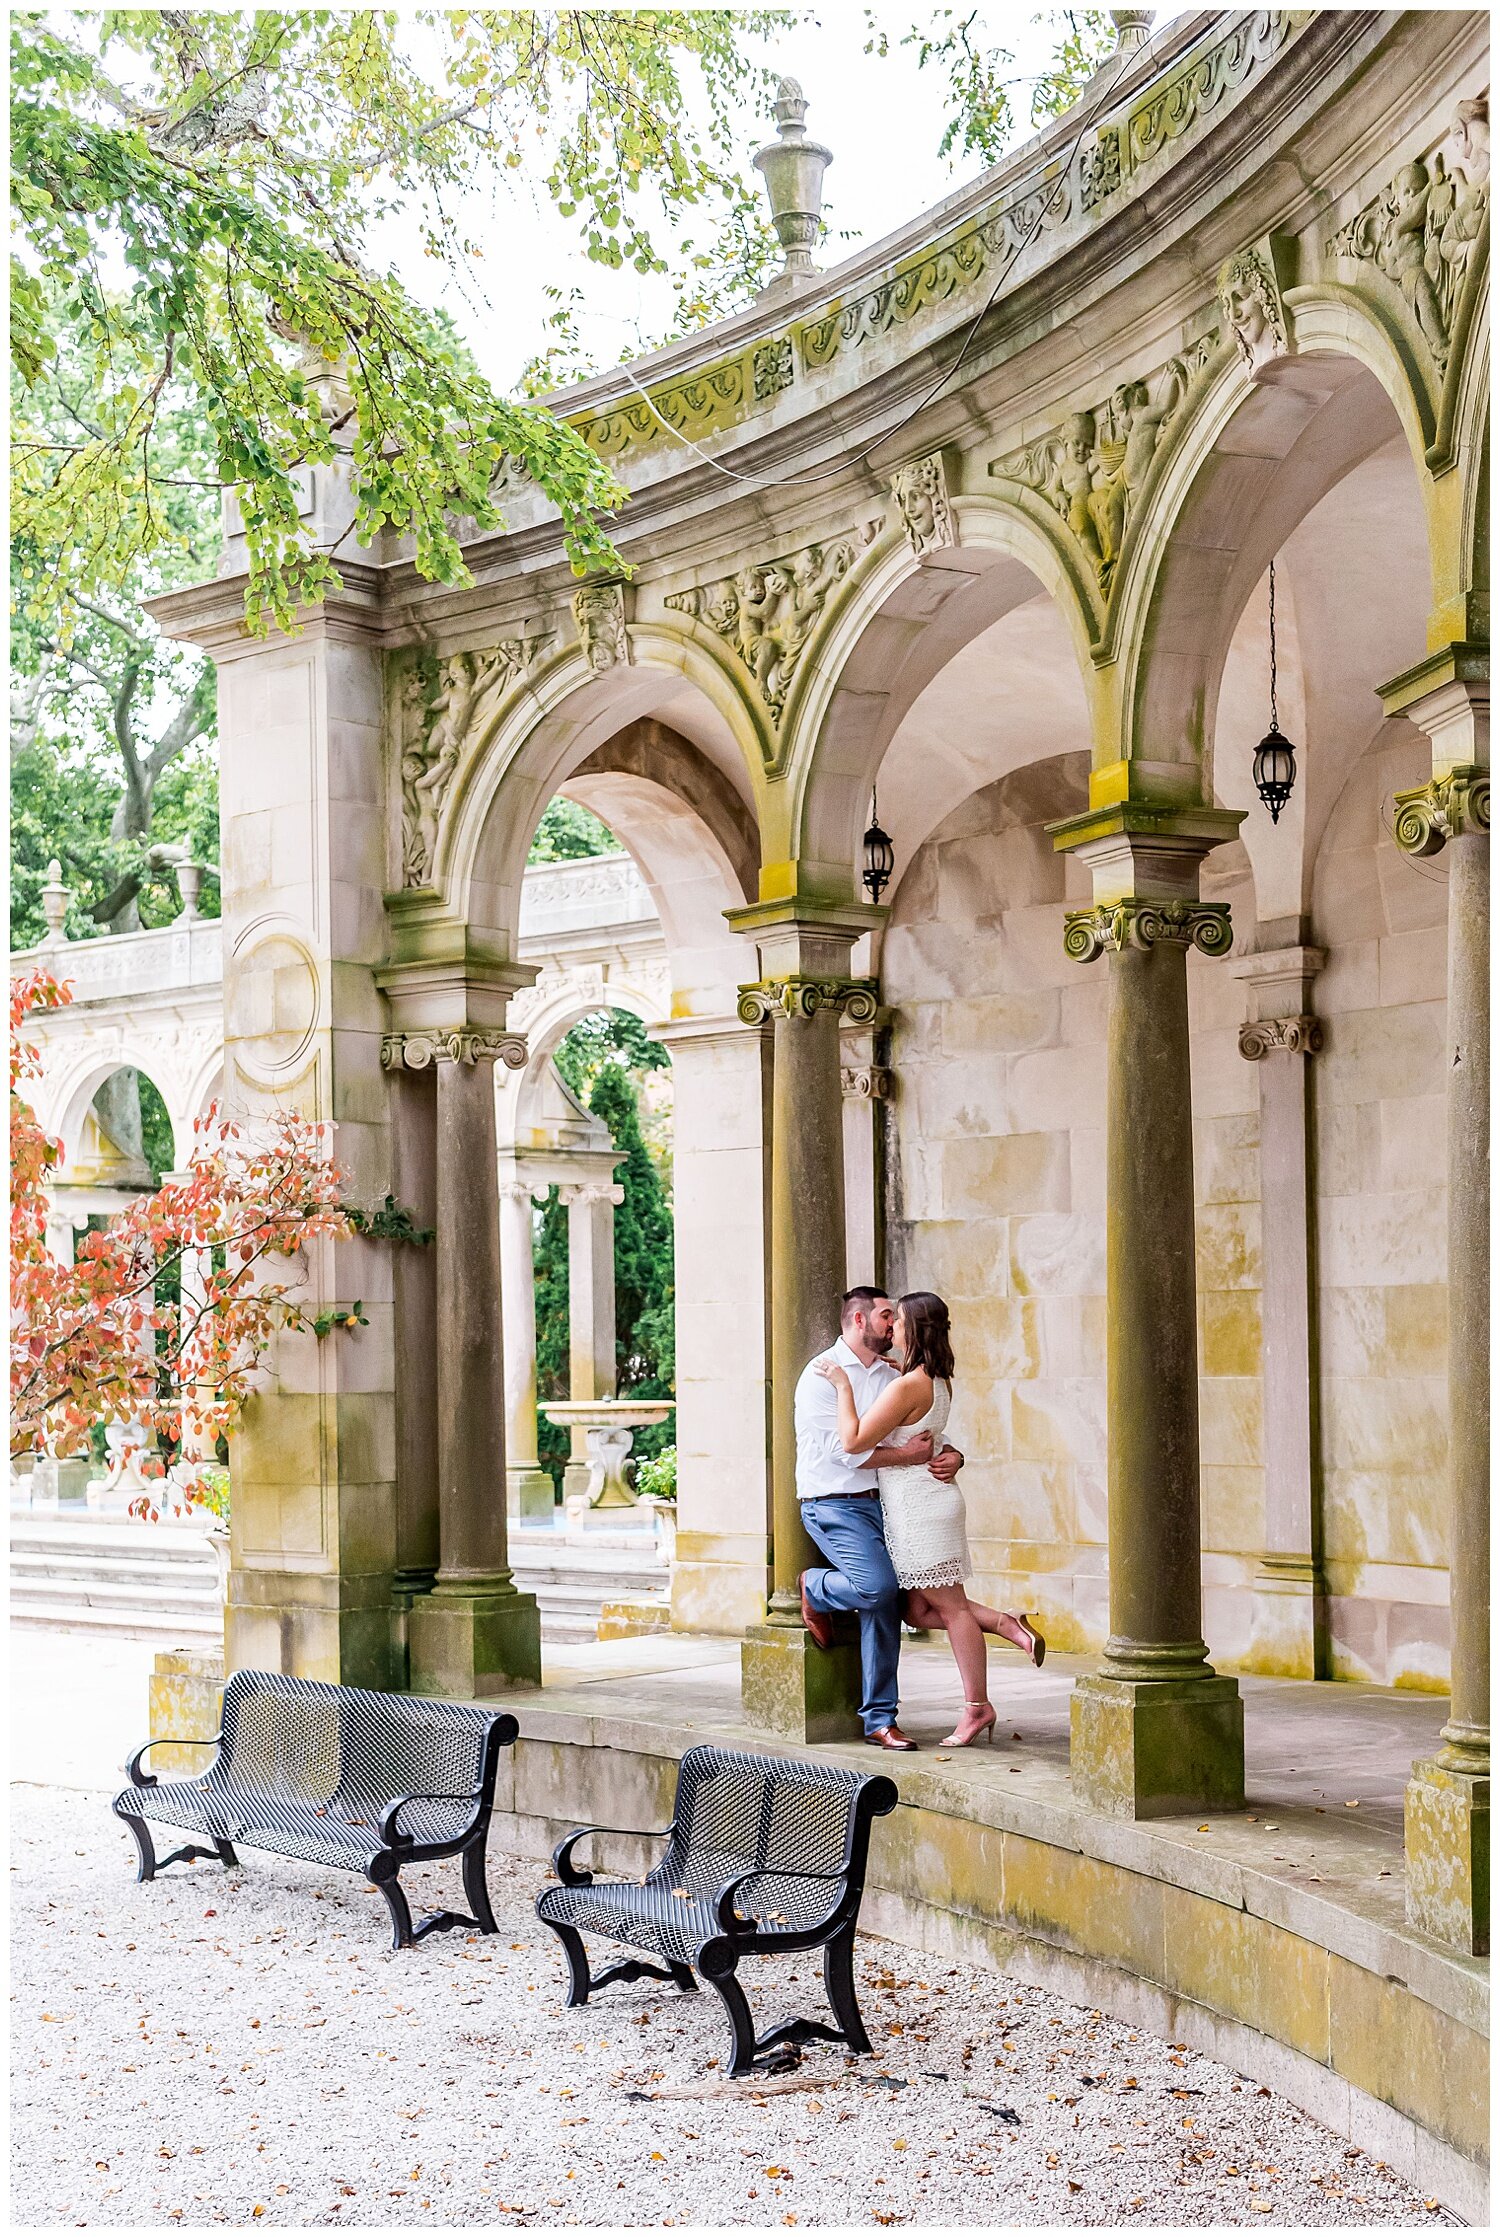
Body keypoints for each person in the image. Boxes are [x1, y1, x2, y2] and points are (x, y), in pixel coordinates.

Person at [816, 1289, 1045, 1748]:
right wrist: (953, 1453)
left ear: (912, 1330)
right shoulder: (934, 1378)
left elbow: (855, 1440)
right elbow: (933, 1437)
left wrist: (843, 1386)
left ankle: (977, 1706)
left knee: (953, 1608)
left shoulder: (906, 1385)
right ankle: (1005, 1622)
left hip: (919, 1508)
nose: (891, 1328)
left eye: (897, 1320)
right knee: (918, 1611)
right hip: (926, 1502)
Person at [795, 1287, 959, 1751]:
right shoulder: (821, 1375)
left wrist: (954, 1454)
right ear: (859, 1320)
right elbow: (841, 1453)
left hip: (885, 1503)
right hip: (833, 1504)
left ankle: (879, 1719)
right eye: (886, 1316)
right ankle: (815, 1586)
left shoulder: (894, 1375)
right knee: (880, 1588)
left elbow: (924, 1432)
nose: (893, 1324)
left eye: (896, 1317)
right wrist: (907, 1456)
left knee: (893, 1601)